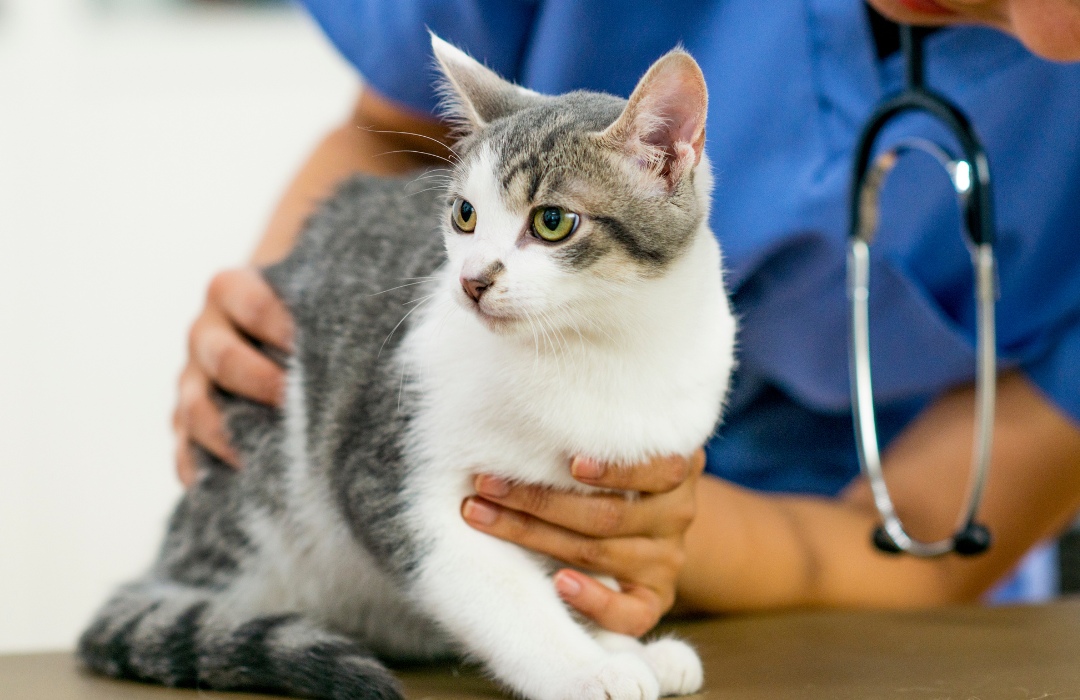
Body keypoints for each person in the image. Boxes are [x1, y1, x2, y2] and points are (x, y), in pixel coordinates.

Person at [173, 0, 1080, 638]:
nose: (1041, 24)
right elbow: (388, 135)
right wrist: (287, 336)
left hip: (858, 609)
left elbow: (931, 538)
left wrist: (645, 529)